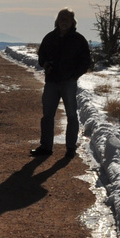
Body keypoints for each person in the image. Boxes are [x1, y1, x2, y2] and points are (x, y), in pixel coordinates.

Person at [35, 8, 92, 156]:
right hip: (51, 82)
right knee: (47, 115)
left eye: (67, 19)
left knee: (72, 115)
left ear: (73, 22)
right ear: (57, 21)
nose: (64, 21)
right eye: (61, 18)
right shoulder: (49, 37)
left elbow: (86, 61)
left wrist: (75, 76)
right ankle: (46, 147)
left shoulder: (78, 40)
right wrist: (45, 64)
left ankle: (70, 148)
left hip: (68, 82)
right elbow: (41, 56)